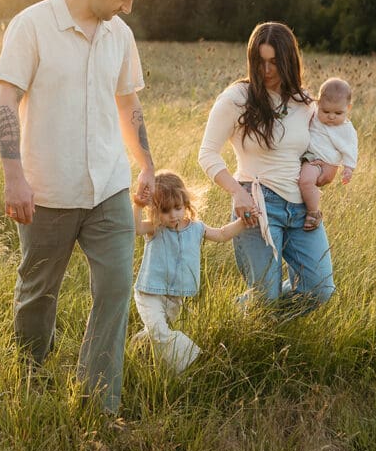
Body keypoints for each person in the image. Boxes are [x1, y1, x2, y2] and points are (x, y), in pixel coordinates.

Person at [0, 0, 154, 415]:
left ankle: (97, 400)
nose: (127, 8)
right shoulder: (32, 26)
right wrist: (14, 177)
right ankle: (32, 380)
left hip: (108, 187)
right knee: (38, 293)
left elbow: (128, 104)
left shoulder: (119, 36)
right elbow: (5, 103)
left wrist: (146, 164)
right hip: (47, 191)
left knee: (116, 287)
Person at [197, 21, 336, 309]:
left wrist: (325, 172)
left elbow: (320, 153)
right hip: (256, 206)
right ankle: (256, 313)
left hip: (300, 210)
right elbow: (207, 153)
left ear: (290, 61)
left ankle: (251, 310)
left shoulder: (306, 103)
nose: (267, 70)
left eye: (275, 62)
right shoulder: (237, 98)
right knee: (265, 298)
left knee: (320, 290)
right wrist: (237, 192)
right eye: (260, 62)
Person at [131, 170, 247, 373]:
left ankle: (135, 351)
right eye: (166, 211)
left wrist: (243, 222)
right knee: (160, 332)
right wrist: (138, 206)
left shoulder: (196, 228)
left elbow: (221, 234)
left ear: (185, 204)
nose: (173, 215)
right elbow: (135, 228)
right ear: (156, 211)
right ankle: (194, 363)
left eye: (177, 208)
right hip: (149, 293)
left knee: (157, 333)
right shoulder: (155, 228)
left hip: (176, 297)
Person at [297, 77, 359, 231]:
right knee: (303, 181)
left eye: (338, 113)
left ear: (348, 108)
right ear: (318, 105)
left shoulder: (346, 129)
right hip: (308, 156)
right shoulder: (315, 114)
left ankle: (313, 213)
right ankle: (313, 196)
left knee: (305, 181)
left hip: (322, 161)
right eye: (326, 111)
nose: (331, 116)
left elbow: (351, 148)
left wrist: (349, 168)